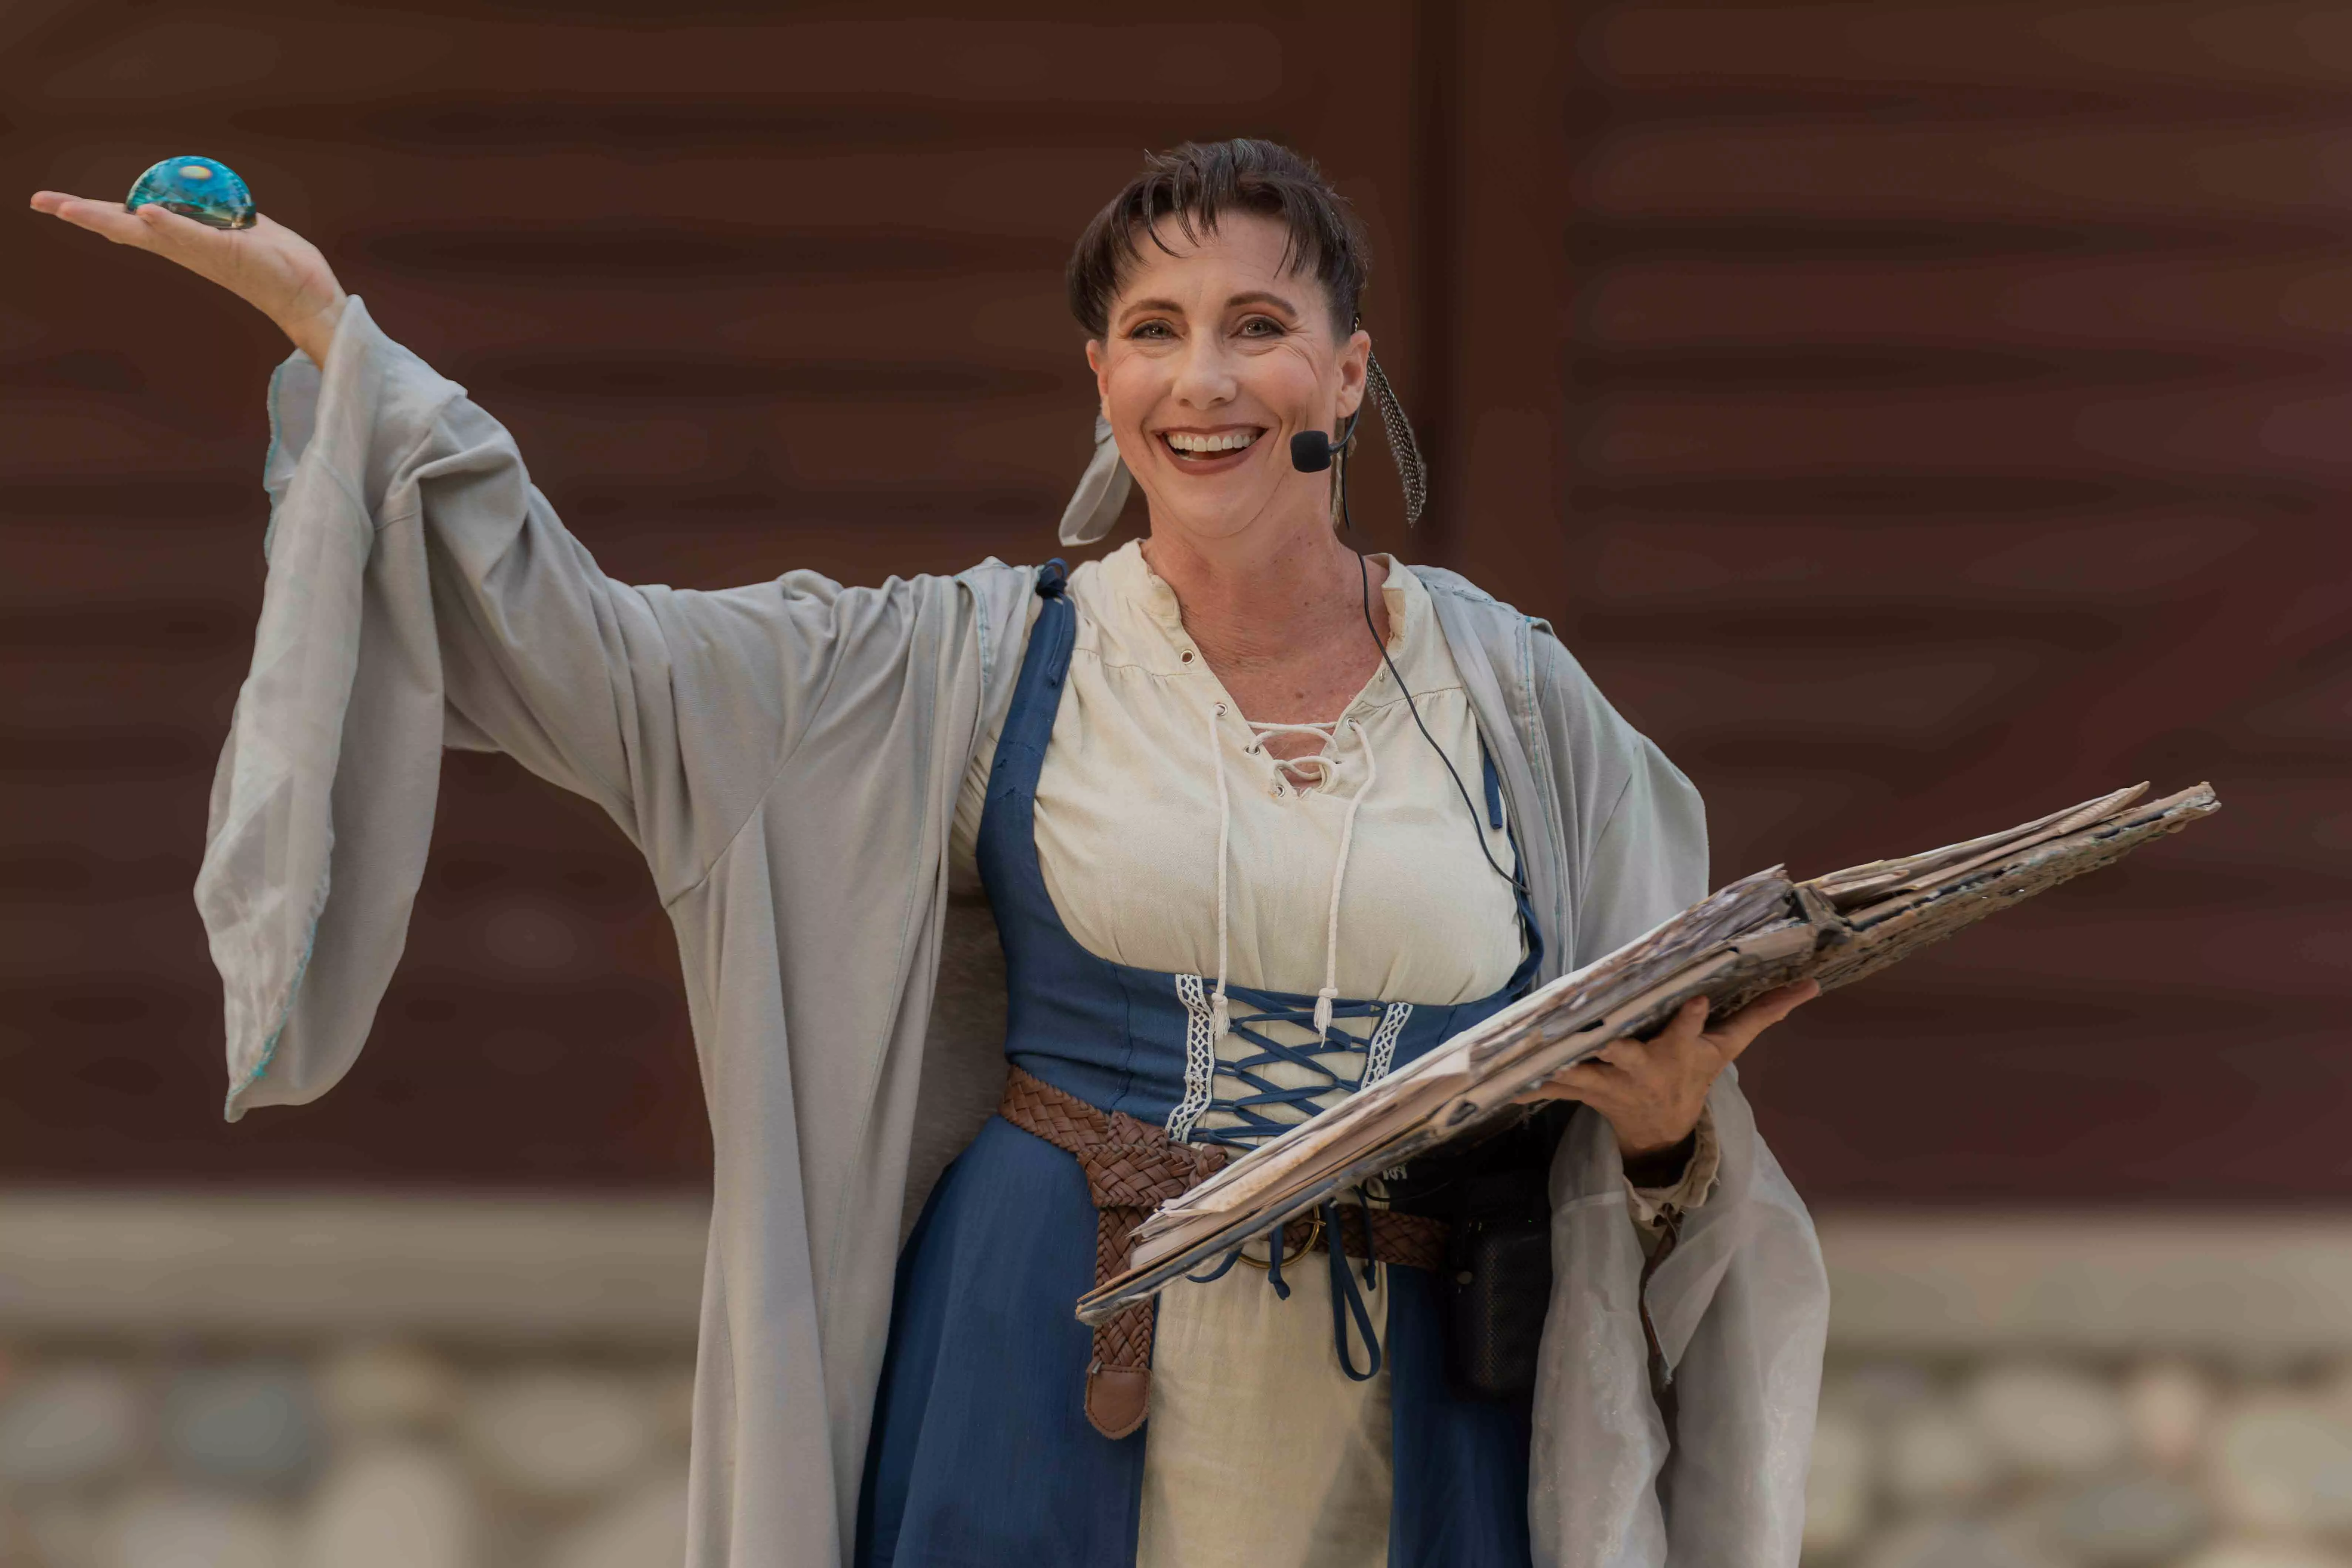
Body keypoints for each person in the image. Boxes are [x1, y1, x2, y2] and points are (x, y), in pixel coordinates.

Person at [32, 137, 1829, 1567]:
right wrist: (340, 343)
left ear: (1343, 373)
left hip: (1418, 1391)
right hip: (1048, 1367)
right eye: (1151, 330)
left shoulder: (1517, 703)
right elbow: (600, 663)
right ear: (1099, 379)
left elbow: (1646, 1094)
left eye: (1256, 326)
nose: (1202, 380)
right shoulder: (962, 662)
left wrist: (1665, 1142)